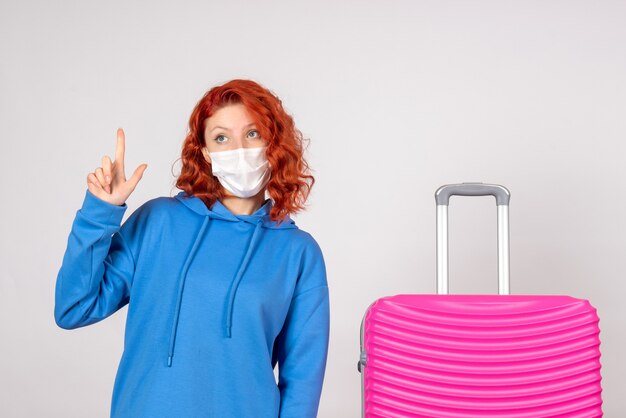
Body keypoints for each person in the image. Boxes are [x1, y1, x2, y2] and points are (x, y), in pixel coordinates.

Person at [54, 79, 330, 418]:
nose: (239, 148)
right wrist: (99, 213)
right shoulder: (158, 222)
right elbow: (73, 307)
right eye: (221, 137)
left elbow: (302, 384)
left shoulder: (298, 253)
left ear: (274, 142)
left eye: (253, 134)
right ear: (204, 151)